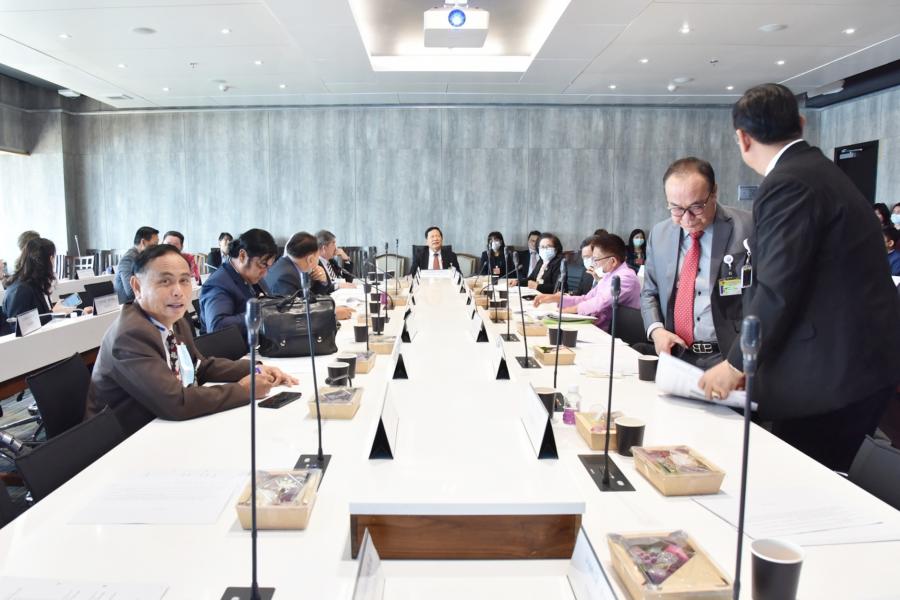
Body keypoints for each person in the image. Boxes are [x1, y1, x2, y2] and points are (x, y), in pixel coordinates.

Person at [699, 82, 900, 471]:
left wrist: (737, 364)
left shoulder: (788, 183)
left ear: (743, 138)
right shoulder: (819, 171)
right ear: (802, 124)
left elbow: (778, 288)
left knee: (801, 484)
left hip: (833, 376)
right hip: (854, 366)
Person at [85, 244, 296, 435]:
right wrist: (244, 390)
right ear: (137, 287)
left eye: (184, 280)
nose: (178, 292)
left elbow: (199, 367)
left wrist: (255, 368)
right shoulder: (130, 336)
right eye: (165, 281)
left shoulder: (174, 319)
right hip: (124, 441)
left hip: (164, 425)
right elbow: (176, 402)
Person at [641, 157, 753, 369]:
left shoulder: (749, 227)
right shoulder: (660, 234)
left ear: (714, 192)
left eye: (696, 207)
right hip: (677, 357)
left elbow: (766, 298)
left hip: (728, 358)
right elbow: (649, 292)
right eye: (676, 208)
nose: (687, 218)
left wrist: (740, 360)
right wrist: (656, 330)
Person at [533, 234, 640, 332]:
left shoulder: (626, 278)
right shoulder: (610, 274)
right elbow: (587, 298)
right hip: (599, 328)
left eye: (596, 259)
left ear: (612, 261)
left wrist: (568, 310)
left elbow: (600, 302)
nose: (594, 263)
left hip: (613, 335)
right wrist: (556, 298)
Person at [200, 228, 276, 337]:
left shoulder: (251, 275)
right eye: (263, 264)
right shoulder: (218, 284)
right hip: (230, 347)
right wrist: (259, 314)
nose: (265, 274)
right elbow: (217, 327)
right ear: (242, 256)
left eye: (268, 267)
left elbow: (269, 304)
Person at [264, 232, 354, 321]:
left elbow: (311, 298)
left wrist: (322, 282)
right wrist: (331, 314)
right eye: (318, 257)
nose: (318, 262)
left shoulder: (289, 265)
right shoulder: (286, 277)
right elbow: (291, 316)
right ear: (310, 259)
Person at [2, 238, 86, 333]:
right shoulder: (20, 290)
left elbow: (41, 315)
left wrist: (75, 313)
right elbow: (20, 328)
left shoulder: (36, 283)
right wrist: (53, 313)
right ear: (50, 259)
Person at [114, 226, 159, 303]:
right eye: (155, 244)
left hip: (142, 301)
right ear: (143, 242)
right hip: (128, 305)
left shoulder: (145, 257)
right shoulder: (128, 259)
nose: (157, 248)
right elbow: (131, 292)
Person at [314, 230, 355, 295]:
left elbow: (347, 281)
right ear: (324, 248)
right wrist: (338, 285)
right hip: (328, 298)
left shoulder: (331, 261)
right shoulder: (315, 264)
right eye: (333, 243)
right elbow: (318, 289)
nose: (336, 248)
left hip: (340, 294)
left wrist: (346, 259)